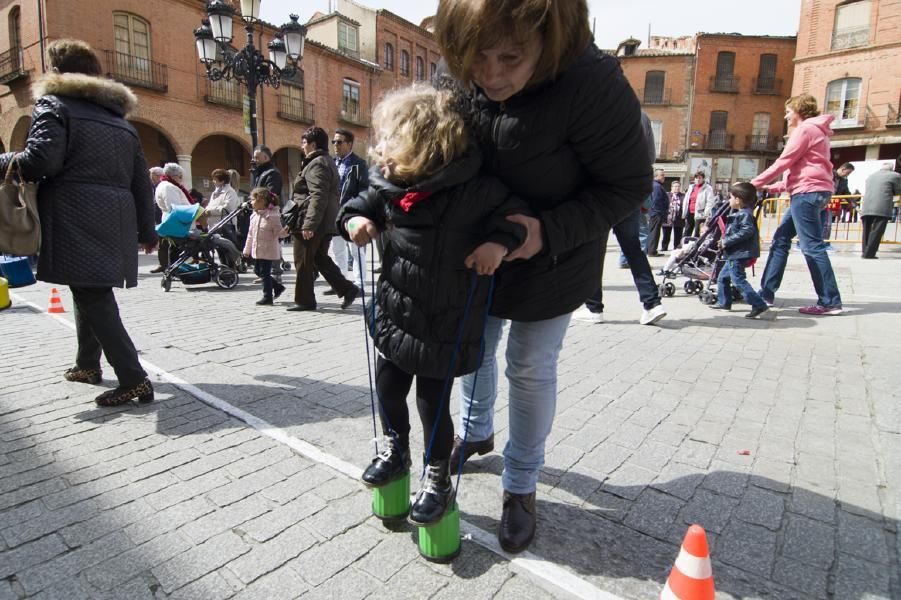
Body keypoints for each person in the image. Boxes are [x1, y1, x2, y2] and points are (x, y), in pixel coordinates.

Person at [435, 0, 651, 553]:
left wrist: (546, 231)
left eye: (510, 56)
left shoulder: (593, 83)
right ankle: (476, 429)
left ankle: (522, 483)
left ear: (549, 38)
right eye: (476, 56)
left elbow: (626, 186)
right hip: (476, 248)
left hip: (556, 252)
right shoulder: (462, 70)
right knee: (472, 349)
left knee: (528, 366)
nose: (490, 74)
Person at [339, 85, 527, 526]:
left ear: (426, 145)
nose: (381, 151)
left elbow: (513, 219)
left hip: (445, 321)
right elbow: (357, 203)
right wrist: (355, 219)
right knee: (387, 388)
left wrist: (498, 245)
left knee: (432, 404)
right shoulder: (391, 183)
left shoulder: (477, 188)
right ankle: (395, 450)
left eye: (392, 142)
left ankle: (437, 475)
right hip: (396, 312)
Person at [0, 39, 156, 406]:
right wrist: (147, 230)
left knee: (93, 293)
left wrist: (3, 160)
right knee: (86, 287)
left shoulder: (54, 104)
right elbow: (140, 181)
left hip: (77, 210)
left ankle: (134, 379)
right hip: (114, 214)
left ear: (57, 71)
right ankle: (87, 364)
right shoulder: (120, 120)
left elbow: (40, 161)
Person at [752, 94, 843, 316]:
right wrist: (771, 187)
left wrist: (754, 183)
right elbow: (803, 170)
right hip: (811, 191)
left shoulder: (805, 130)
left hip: (806, 194)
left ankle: (830, 301)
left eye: (789, 111)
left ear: (799, 111)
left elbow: (785, 161)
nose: (786, 115)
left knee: (812, 247)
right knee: (781, 240)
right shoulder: (818, 132)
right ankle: (766, 292)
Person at [572, 113, 666, 326]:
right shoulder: (642, 116)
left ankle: (594, 308)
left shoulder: (598, 112)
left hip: (601, 192)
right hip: (629, 193)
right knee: (633, 250)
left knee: (594, 251)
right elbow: (650, 157)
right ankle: (652, 304)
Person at [286, 126, 359, 312]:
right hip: (323, 220)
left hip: (313, 221)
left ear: (312, 144)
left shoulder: (317, 163)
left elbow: (318, 195)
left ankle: (304, 300)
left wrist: (309, 223)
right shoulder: (324, 161)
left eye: (304, 142)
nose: (302, 146)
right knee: (320, 258)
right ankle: (347, 289)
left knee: (303, 260)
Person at [710, 182, 770, 319]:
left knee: (738, 280)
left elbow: (747, 231)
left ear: (738, 200)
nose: (729, 200)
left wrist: (726, 241)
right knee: (723, 278)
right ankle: (724, 303)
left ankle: (759, 304)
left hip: (738, 253)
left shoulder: (744, 214)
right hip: (735, 253)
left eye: (730, 197)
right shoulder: (741, 213)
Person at [329, 128, 369, 290]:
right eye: (334, 142)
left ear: (349, 144)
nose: (335, 145)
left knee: (356, 250)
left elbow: (364, 190)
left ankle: (359, 284)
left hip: (352, 214)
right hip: (335, 213)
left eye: (339, 142)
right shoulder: (332, 163)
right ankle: (341, 282)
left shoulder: (359, 164)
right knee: (337, 248)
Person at [243, 187, 287, 305]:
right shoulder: (254, 216)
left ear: (261, 201)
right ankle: (277, 287)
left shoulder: (272, 216)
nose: (251, 202)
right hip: (257, 250)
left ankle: (267, 297)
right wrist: (246, 250)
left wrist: (286, 231)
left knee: (265, 274)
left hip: (268, 250)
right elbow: (250, 235)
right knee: (258, 271)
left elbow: (279, 232)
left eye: (253, 199)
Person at [251, 145, 284, 281]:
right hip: (260, 211)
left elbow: (271, 193)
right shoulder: (260, 172)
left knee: (271, 241)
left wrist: (262, 206)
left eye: (257, 157)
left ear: (266, 157)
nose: (255, 160)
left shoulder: (272, 173)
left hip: (269, 212)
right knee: (262, 241)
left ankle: (275, 272)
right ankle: (265, 273)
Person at [153, 162, 192, 271]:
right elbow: (174, 207)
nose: (181, 179)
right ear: (173, 176)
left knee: (174, 248)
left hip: (174, 221)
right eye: (180, 177)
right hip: (176, 222)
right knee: (176, 248)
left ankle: (174, 269)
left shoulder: (167, 185)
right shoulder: (168, 187)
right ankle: (175, 270)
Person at [860, 158, 901, 259]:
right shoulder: (895, 175)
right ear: (892, 169)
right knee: (877, 231)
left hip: (866, 206)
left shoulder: (871, 176)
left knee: (867, 230)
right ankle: (869, 254)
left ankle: (865, 252)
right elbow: (898, 190)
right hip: (882, 206)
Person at [207, 168, 240, 242]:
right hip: (213, 227)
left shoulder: (230, 192)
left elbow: (228, 208)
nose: (213, 181)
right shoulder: (214, 193)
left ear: (222, 181)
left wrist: (210, 212)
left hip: (225, 229)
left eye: (215, 180)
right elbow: (210, 205)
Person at [826, 162, 854, 247]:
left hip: (830, 205)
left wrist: (854, 204)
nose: (848, 175)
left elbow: (847, 193)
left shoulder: (844, 181)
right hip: (820, 201)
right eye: (848, 173)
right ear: (843, 169)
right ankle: (800, 243)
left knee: (827, 225)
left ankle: (825, 244)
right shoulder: (828, 173)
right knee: (811, 224)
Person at [682, 171, 714, 237]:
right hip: (690, 212)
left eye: (700, 178)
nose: (698, 179)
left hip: (700, 214)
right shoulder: (691, 187)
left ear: (703, 179)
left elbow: (710, 202)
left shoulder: (708, 188)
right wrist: (684, 212)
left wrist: (706, 213)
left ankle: (696, 246)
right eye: (696, 178)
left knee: (697, 233)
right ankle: (685, 245)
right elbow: (686, 200)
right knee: (687, 231)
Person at [645, 169, 668, 256]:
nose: (664, 177)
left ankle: (649, 249)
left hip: (654, 212)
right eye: (662, 175)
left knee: (652, 231)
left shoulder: (656, 185)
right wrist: (658, 213)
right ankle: (652, 251)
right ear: (656, 176)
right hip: (656, 213)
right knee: (654, 232)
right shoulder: (657, 186)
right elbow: (656, 201)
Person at [662, 180, 685, 251]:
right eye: (675, 186)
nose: (677, 188)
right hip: (668, 218)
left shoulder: (683, 196)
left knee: (678, 234)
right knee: (666, 234)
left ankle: (676, 247)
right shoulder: (666, 195)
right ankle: (664, 247)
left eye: (678, 186)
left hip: (679, 218)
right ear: (672, 187)